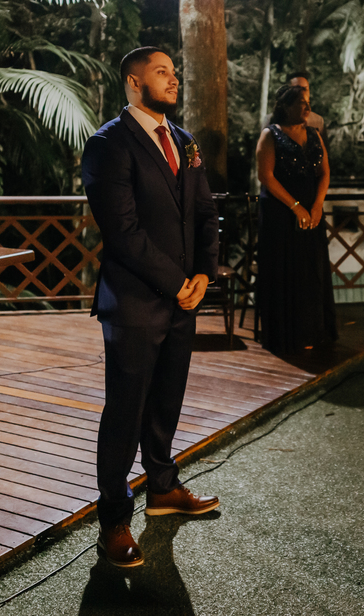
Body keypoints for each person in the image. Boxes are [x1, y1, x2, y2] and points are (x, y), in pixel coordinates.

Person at [81, 47, 221, 569]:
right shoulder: (108, 144)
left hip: (185, 297)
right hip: (135, 302)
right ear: (134, 82)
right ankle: (114, 520)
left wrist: (204, 273)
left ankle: (162, 488)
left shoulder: (184, 141)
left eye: (174, 72)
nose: (173, 79)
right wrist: (177, 281)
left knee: (166, 401)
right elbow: (123, 232)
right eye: (162, 72)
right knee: (125, 411)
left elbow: (205, 211)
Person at [255, 85, 338, 353]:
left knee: (311, 270)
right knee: (285, 271)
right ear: (286, 106)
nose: (307, 107)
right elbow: (266, 176)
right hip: (280, 210)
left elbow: (325, 172)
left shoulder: (314, 134)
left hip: (312, 209)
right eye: (301, 102)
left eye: (307, 102)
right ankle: (285, 335)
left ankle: (313, 330)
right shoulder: (271, 134)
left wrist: (317, 205)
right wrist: (296, 207)